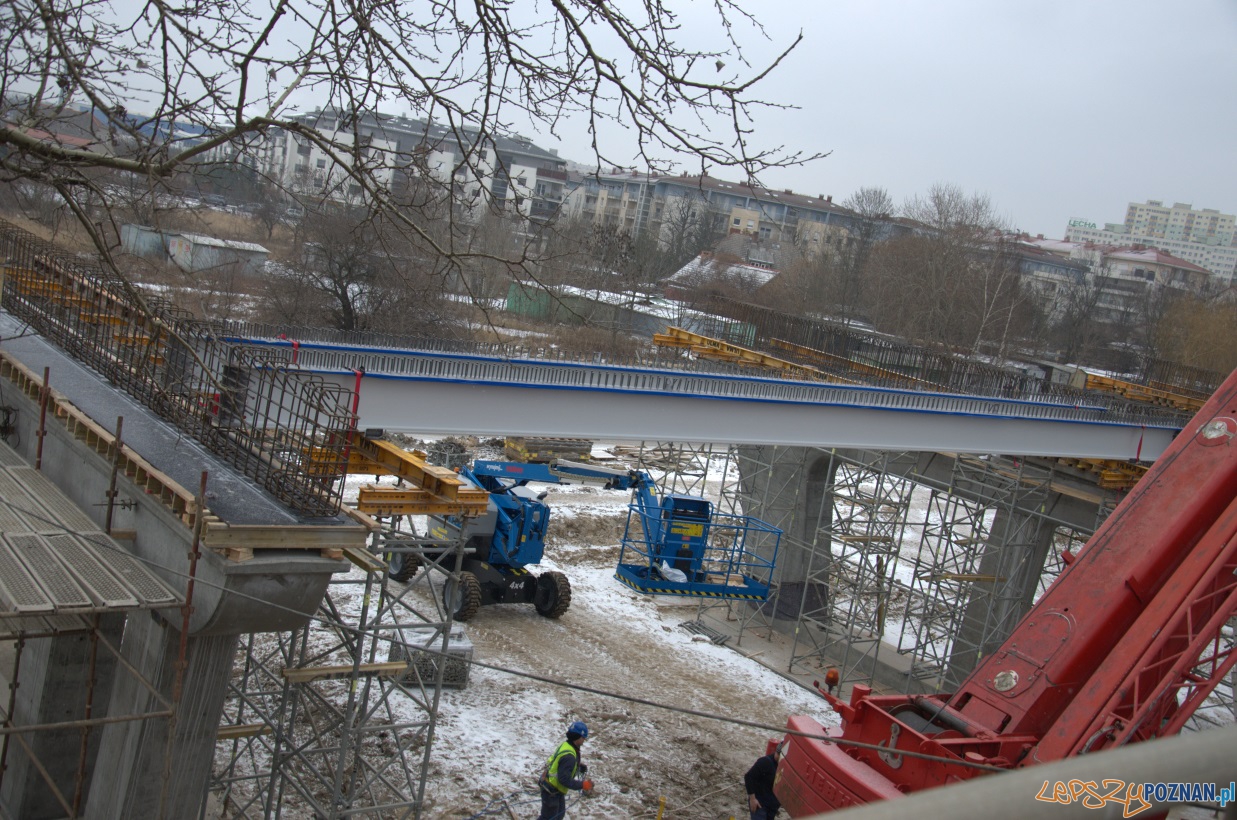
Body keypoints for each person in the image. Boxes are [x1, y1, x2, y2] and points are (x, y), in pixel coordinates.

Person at [537, 720, 593, 820]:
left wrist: (578, 765)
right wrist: (583, 785)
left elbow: (559, 763)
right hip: (552, 791)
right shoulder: (569, 756)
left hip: (553, 789)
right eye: (584, 737)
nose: (584, 740)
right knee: (549, 818)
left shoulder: (566, 745)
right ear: (578, 737)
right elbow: (564, 779)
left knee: (558, 816)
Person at [744, 743, 783, 820]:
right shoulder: (765, 762)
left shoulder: (784, 766)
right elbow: (748, 777)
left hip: (772, 806)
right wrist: (752, 799)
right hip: (760, 803)